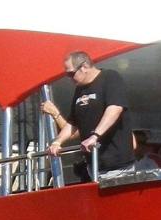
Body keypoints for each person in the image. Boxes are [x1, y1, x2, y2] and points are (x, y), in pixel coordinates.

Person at [42, 50, 135, 182]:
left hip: (117, 165)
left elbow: (115, 108)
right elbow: (73, 123)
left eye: (71, 73)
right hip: (93, 165)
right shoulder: (80, 90)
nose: (69, 78)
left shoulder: (110, 77)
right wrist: (58, 141)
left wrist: (95, 136)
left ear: (84, 67)